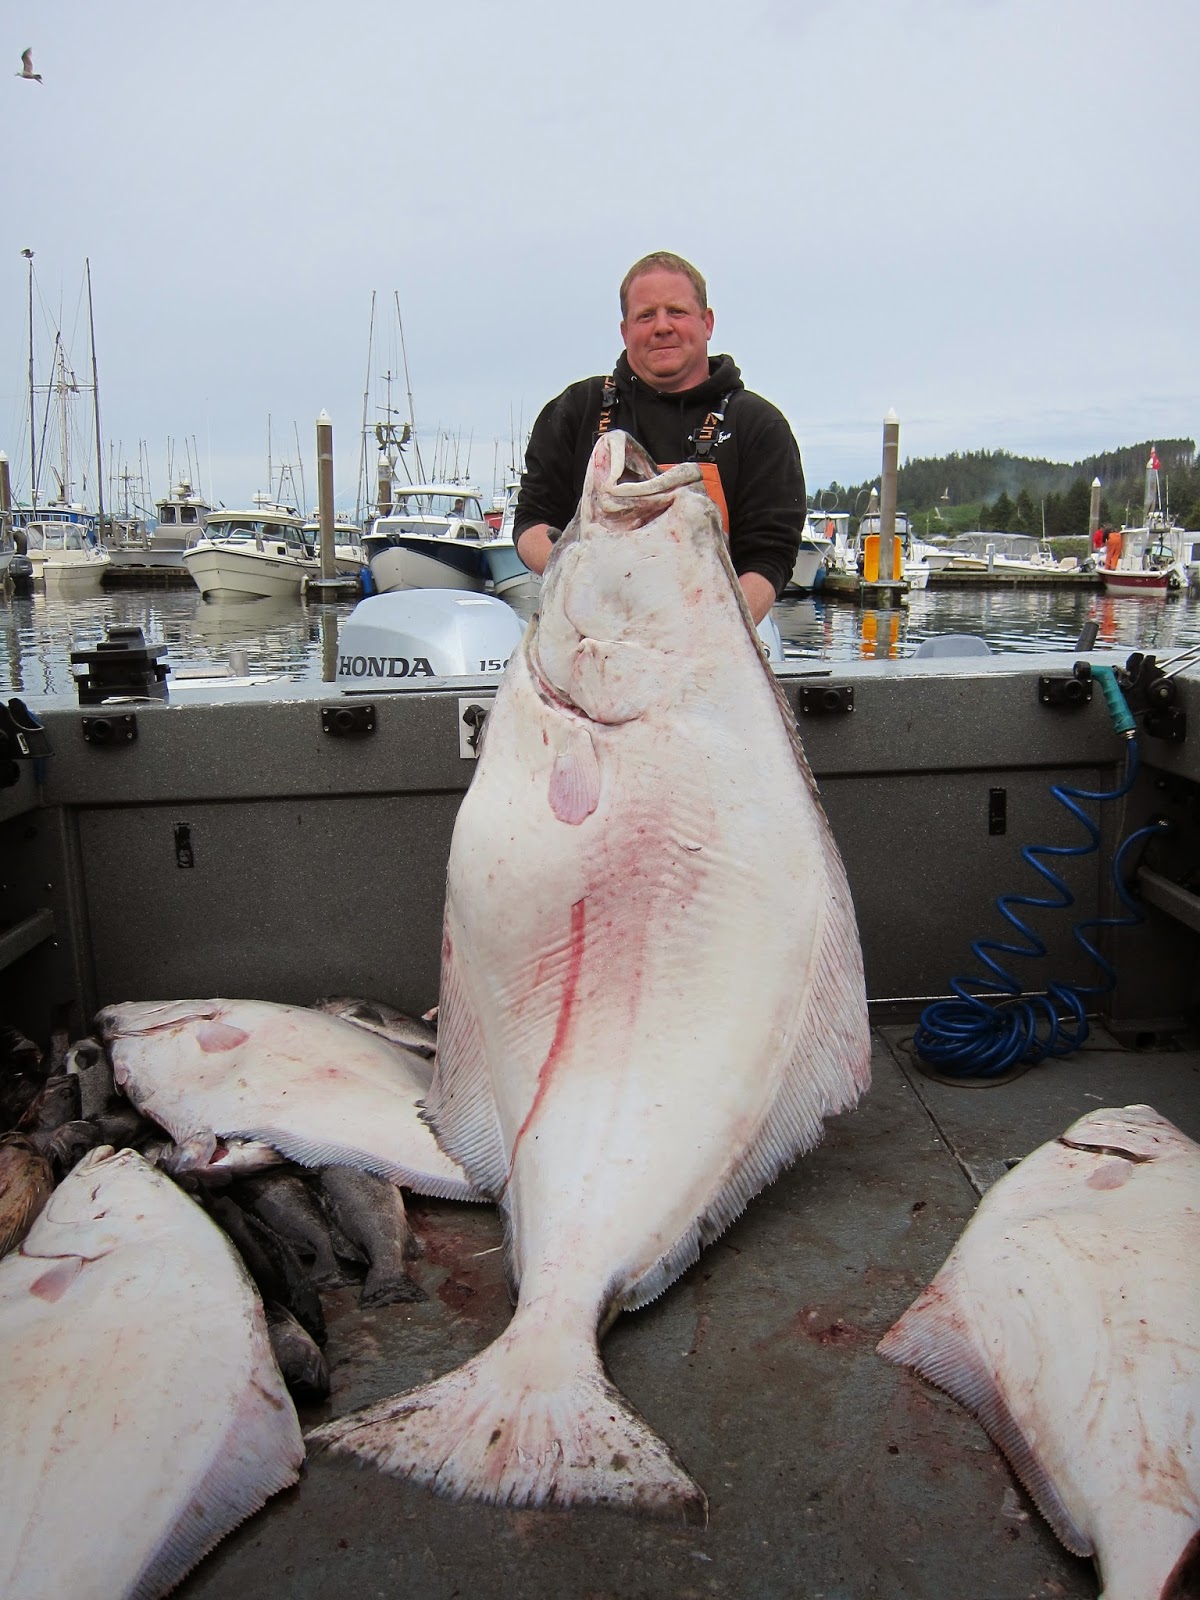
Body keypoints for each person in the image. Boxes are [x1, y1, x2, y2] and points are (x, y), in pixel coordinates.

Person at [514, 251, 805, 623]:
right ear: (625, 331)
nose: (662, 326)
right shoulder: (575, 410)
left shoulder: (759, 426)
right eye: (646, 315)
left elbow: (771, 556)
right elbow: (531, 522)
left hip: (709, 652)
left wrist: (709, 633)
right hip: (591, 644)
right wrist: (576, 577)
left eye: (677, 312)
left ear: (707, 322)